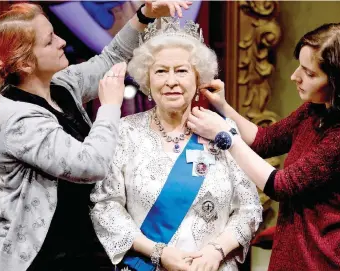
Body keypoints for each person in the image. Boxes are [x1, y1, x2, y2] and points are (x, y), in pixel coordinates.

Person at [0, 2, 192, 271]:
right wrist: (109, 107)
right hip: (42, 258)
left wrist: (144, 15)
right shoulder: (18, 118)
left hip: (81, 246)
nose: (62, 42)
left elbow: (111, 58)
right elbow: (89, 165)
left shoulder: (59, 85)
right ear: (25, 62)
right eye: (50, 41)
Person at [188, 23, 340, 270]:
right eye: (300, 65)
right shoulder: (317, 110)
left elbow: (281, 185)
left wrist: (226, 137)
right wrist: (224, 107)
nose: (295, 76)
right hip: (298, 254)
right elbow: (264, 140)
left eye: (309, 73)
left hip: (330, 262)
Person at [89, 17, 263, 271]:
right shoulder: (124, 132)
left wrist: (216, 252)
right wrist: (158, 252)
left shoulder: (221, 131)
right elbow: (105, 205)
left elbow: (249, 208)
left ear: (198, 79)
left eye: (181, 70)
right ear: (147, 81)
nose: (171, 81)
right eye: (161, 71)